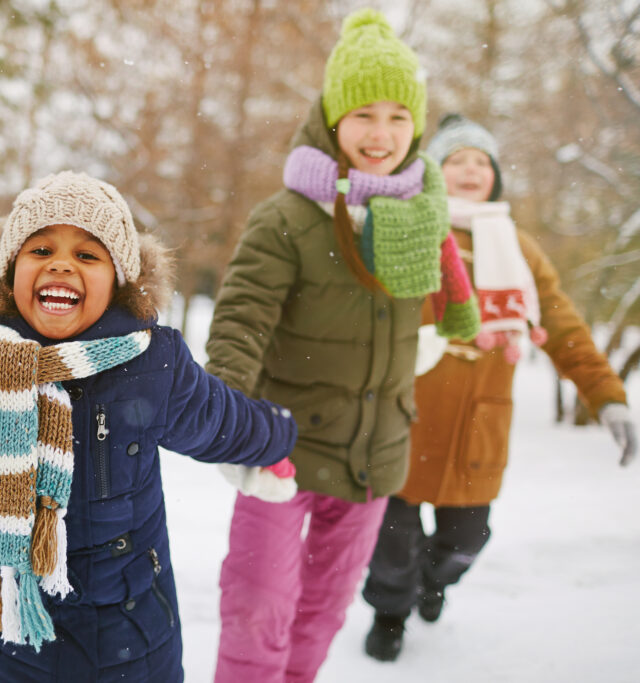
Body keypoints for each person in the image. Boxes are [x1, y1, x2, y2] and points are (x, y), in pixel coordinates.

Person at [0, 170, 299, 682]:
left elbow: (224, 421)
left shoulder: (154, 366)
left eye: (87, 255)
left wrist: (276, 437)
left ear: (121, 280)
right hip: (2, 637)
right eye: (40, 251)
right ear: (9, 270)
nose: (61, 263)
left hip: (130, 638)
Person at [207, 9, 481, 682]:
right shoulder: (287, 218)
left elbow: (449, 297)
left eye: (397, 116)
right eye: (363, 115)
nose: (381, 134)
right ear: (333, 119)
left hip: (374, 456)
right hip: (280, 452)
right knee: (258, 606)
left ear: (416, 122)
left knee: (323, 609)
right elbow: (241, 322)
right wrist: (227, 425)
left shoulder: (424, 212)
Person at [360, 112, 638, 662]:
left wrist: (608, 397)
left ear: (495, 177)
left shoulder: (520, 250)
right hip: (405, 416)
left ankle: (435, 584)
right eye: (456, 160)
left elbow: (563, 328)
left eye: (481, 162)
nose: (469, 170)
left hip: (477, 426)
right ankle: (390, 612)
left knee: (465, 539)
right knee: (391, 540)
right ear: (435, 172)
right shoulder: (409, 227)